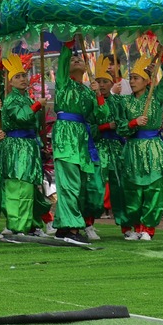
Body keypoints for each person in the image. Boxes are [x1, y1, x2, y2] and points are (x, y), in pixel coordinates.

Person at [118, 35, 163, 241]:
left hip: (153, 148)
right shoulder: (125, 102)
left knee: (153, 188)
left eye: (136, 78)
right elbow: (120, 127)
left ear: (147, 81)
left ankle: (148, 229)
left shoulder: (156, 97)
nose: (132, 81)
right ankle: (135, 226)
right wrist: (133, 123)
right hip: (132, 149)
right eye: (131, 78)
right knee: (133, 189)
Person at [51, 41, 105, 241]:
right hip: (66, 137)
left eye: (79, 58)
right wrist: (68, 43)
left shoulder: (88, 91)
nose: (76, 59)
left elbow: (101, 116)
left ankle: (63, 227)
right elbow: (63, 61)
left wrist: (98, 94)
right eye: (72, 58)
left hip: (82, 139)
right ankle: (73, 229)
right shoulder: (64, 82)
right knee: (70, 184)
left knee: (78, 185)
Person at [0, 53, 43, 237]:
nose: (22, 79)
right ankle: (17, 225)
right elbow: (21, 117)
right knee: (18, 185)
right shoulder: (11, 100)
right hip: (16, 146)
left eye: (24, 75)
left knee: (29, 186)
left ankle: (30, 224)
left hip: (29, 146)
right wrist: (37, 106)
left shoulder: (26, 98)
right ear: (10, 82)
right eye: (18, 77)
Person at [95, 55, 133, 235]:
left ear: (111, 83)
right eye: (98, 81)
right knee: (95, 186)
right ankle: (88, 224)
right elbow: (87, 126)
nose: (102, 85)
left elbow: (124, 123)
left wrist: (127, 126)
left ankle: (126, 226)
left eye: (105, 81)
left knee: (120, 186)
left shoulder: (119, 101)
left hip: (117, 148)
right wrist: (104, 127)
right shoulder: (91, 101)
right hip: (97, 148)